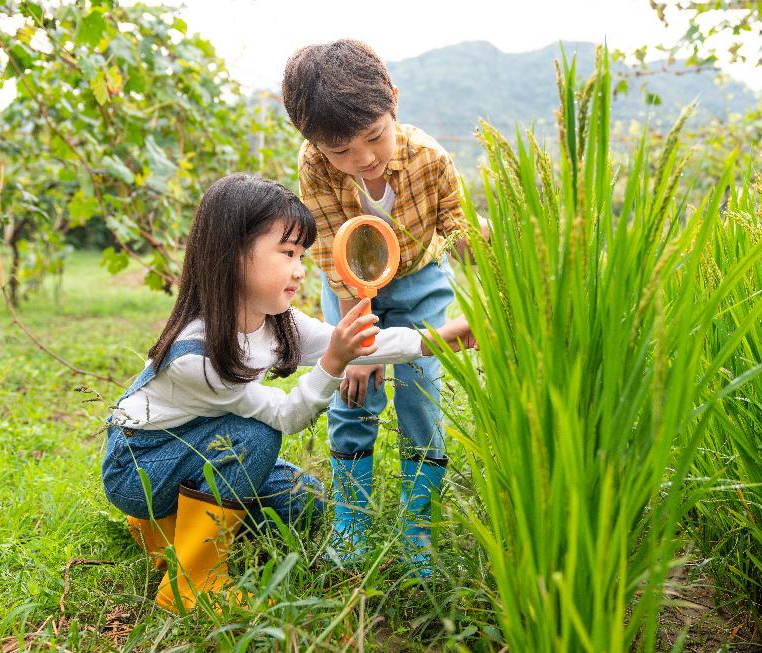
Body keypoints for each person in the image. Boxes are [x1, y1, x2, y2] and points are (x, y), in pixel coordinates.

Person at [101, 174, 475, 613]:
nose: (301, 268)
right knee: (255, 439)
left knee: (306, 499)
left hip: (197, 448)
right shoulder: (197, 356)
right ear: (234, 255)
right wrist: (333, 364)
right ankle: (190, 582)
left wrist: (441, 338)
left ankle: (168, 528)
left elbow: (356, 344)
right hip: (141, 467)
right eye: (288, 253)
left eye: (302, 254)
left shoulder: (275, 319)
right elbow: (287, 416)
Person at [282, 39, 483, 575]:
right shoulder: (315, 167)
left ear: (393, 100)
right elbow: (328, 250)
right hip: (347, 286)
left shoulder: (429, 158)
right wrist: (361, 346)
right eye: (342, 151)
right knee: (354, 388)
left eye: (375, 137)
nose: (364, 158)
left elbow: (458, 231)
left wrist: (493, 266)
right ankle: (352, 520)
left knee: (420, 388)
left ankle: (419, 524)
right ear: (314, 143)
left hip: (419, 281)